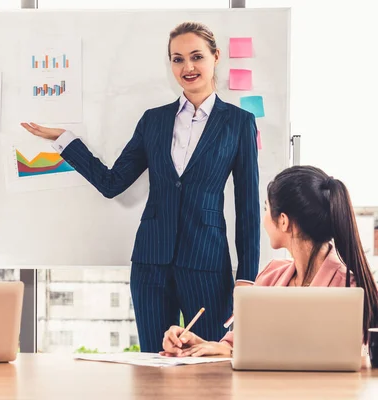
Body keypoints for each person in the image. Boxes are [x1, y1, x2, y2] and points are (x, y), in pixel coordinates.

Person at [21, 21, 260, 351]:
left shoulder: (238, 122)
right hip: (151, 263)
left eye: (196, 57)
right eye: (177, 59)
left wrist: (247, 275)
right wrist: (65, 140)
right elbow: (112, 183)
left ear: (215, 57)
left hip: (207, 263)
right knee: (153, 362)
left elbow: (248, 206)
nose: (188, 67)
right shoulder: (154, 121)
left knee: (209, 365)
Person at [161, 166, 378, 357]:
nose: (264, 219)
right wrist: (200, 345)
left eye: (266, 209)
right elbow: (241, 344)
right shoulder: (271, 275)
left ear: (283, 221)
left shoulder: (349, 287)